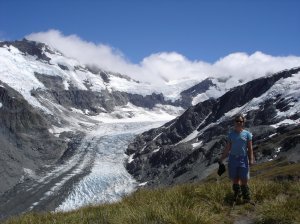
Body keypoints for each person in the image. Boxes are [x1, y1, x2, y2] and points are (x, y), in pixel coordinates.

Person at [218, 114, 254, 202]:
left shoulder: (247, 134)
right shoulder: (231, 135)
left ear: (243, 123)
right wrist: (221, 158)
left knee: (244, 179)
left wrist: (251, 159)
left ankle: (246, 198)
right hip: (233, 159)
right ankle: (237, 195)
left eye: (240, 121)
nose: (239, 123)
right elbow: (228, 148)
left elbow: (250, 148)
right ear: (234, 122)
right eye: (237, 121)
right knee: (235, 178)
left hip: (243, 159)